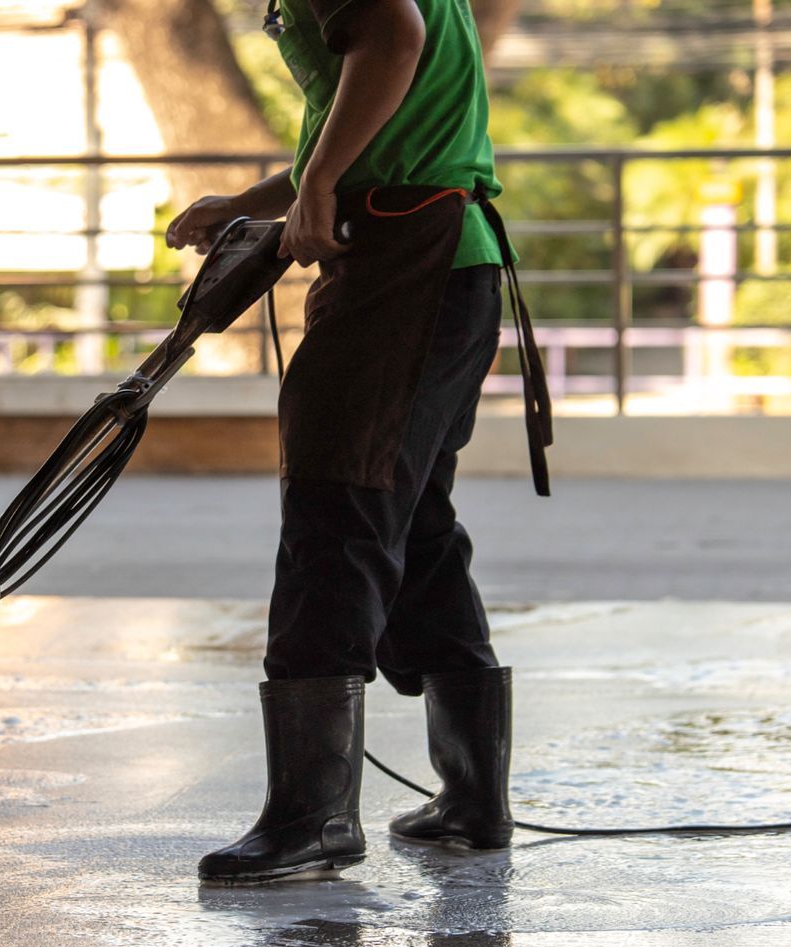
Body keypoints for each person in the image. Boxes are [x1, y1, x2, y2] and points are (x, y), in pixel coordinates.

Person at [165, 0, 550, 882]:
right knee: (410, 521)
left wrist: (314, 183)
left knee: (336, 506)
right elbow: (379, 107)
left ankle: (313, 817)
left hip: (407, 263)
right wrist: (265, 196)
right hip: (440, 258)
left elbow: (393, 38)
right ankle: (471, 798)